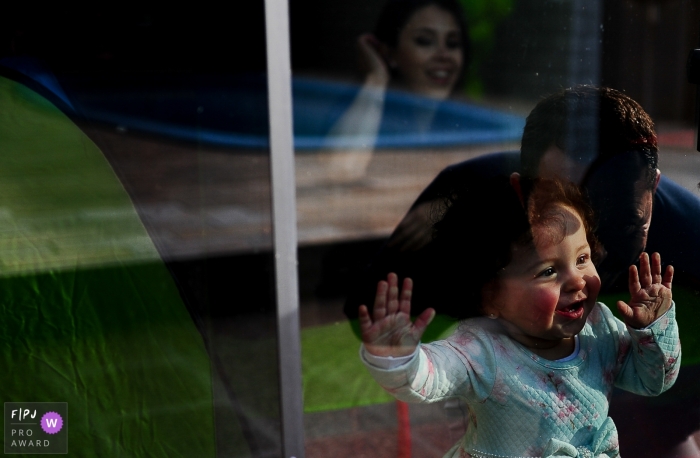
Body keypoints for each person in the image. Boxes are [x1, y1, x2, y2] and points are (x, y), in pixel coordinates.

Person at [358, 178, 680, 457]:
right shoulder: (482, 349)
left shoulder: (599, 329)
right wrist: (398, 358)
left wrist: (653, 328)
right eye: (549, 271)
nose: (577, 280)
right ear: (489, 297)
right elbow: (430, 376)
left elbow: (652, 380)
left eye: (582, 258)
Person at [323, 0, 470, 181]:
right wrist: (376, 78)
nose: (444, 55)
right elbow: (340, 172)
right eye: (425, 41)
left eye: (453, 43)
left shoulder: (467, 129)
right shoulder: (366, 120)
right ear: (390, 53)